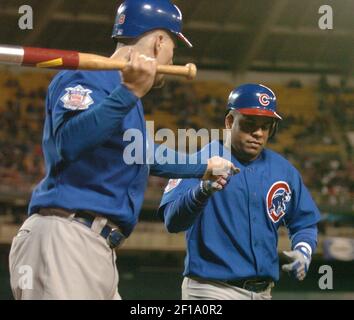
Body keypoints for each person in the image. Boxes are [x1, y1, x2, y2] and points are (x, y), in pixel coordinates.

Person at [9, 0, 236, 300]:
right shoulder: (86, 76)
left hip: (97, 248)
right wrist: (128, 93)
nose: (172, 54)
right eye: (172, 45)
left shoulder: (126, 93)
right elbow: (68, 143)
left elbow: (142, 153)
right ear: (158, 42)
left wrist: (203, 166)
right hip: (65, 237)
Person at [158, 83, 321, 300]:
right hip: (212, 290)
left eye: (266, 126)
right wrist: (202, 191)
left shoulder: (284, 170)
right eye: (249, 124)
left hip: (264, 292)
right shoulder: (200, 161)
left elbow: (304, 221)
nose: (258, 133)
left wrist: (303, 250)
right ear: (229, 121)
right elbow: (172, 221)